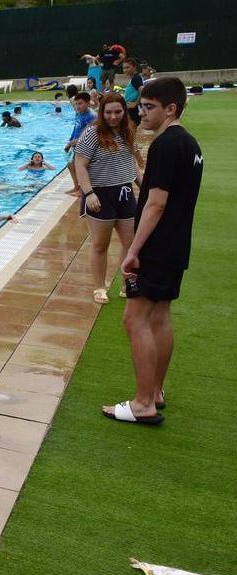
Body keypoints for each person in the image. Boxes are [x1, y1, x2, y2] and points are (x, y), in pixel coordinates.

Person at [104, 77, 202, 426]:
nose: (140, 112)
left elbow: (156, 204)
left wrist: (134, 250)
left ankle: (143, 402)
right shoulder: (190, 144)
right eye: (141, 106)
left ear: (170, 108)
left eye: (148, 107)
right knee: (160, 316)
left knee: (134, 319)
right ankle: (156, 391)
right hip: (177, 245)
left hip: (157, 246)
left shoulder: (164, 145)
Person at [75, 91, 141, 305]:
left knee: (131, 244)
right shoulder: (92, 133)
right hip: (100, 195)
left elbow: (132, 162)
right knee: (100, 245)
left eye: (118, 112)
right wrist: (89, 193)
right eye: (109, 112)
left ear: (124, 111)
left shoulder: (129, 131)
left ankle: (126, 283)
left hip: (124, 192)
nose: (113, 116)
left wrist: (144, 185)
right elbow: (80, 165)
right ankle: (99, 286)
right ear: (102, 112)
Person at [64, 92, 97, 195]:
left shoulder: (92, 116)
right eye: (76, 103)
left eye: (80, 103)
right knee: (70, 164)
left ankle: (82, 190)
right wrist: (70, 141)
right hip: (74, 142)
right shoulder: (78, 113)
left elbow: (88, 134)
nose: (77, 106)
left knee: (80, 166)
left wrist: (74, 142)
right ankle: (76, 186)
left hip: (83, 144)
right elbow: (75, 128)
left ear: (88, 103)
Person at [122, 58, 143, 123]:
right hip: (130, 107)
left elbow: (142, 90)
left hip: (133, 108)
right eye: (124, 68)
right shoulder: (134, 78)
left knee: (131, 128)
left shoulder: (136, 79)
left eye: (127, 67)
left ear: (134, 67)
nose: (125, 70)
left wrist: (136, 103)